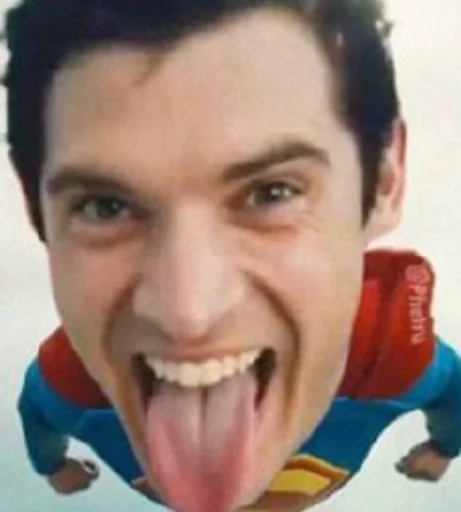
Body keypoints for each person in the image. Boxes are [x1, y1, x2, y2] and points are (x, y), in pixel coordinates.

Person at [3, 0, 461, 511]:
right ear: (35, 208)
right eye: (105, 207)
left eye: (272, 193)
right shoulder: (68, 383)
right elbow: (37, 413)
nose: (189, 317)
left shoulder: (390, 355)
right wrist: (52, 465)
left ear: (385, 182)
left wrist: (444, 447)